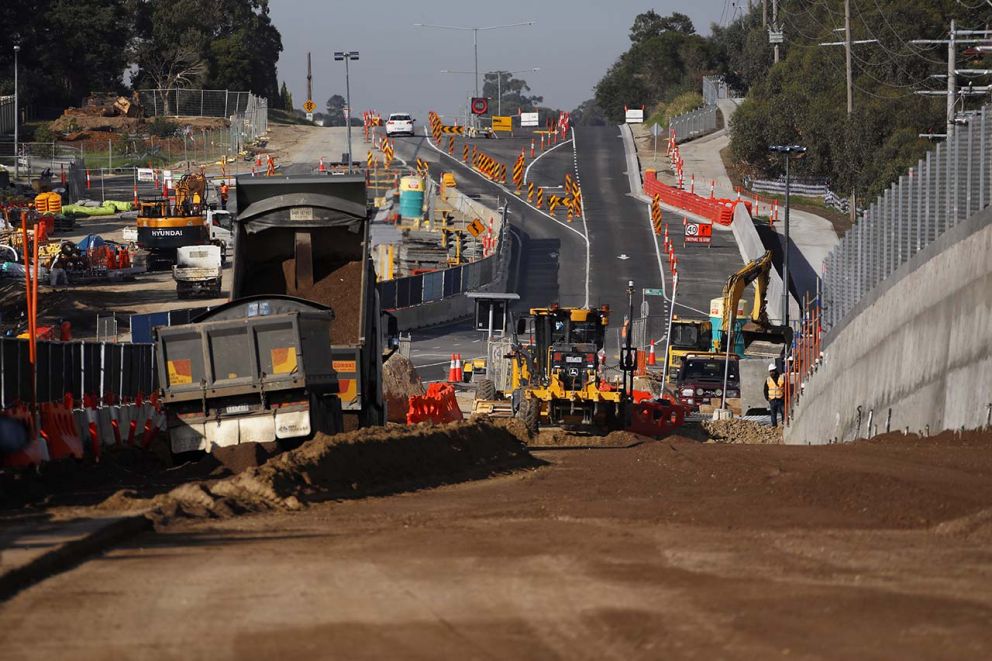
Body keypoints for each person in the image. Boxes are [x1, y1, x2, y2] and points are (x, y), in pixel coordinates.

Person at [764, 362, 786, 427]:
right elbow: (765, 390)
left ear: (776, 370)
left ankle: (783, 423)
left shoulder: (781, 377)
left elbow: (786, 387)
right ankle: (774, 425)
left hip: (780, 399)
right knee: (773, 414)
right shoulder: (768, 380)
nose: (771, 372)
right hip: (772, 400)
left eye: (773, 371)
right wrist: (767, 398)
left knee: (783, 412)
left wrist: (784, 396)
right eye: (770, 371)